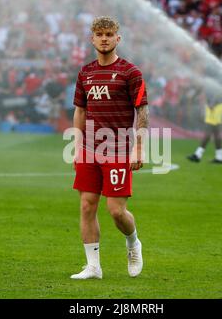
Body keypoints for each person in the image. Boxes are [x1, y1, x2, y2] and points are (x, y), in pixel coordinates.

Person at [70, 16, 149, 279]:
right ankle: (93, 266)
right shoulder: (85, 73)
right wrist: (77, 145)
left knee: (116, 211)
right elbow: (80, 111)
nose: (104, 38)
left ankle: (133, 243)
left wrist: (139, 148)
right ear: (92, 39)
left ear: (118, 38)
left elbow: (142, 112)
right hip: (90, 150)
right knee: (86, 206)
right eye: (99, 34)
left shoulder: (131, 73)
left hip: (118, 149)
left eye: (109, 34)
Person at [187, 93, 222, 164]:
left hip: (215, 107)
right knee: (216, 132)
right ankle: (220, 157)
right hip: (218, 105)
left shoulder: (213, 88)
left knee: (208, 132)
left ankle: (197, 155)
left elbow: (216, 92)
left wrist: (212, 103)